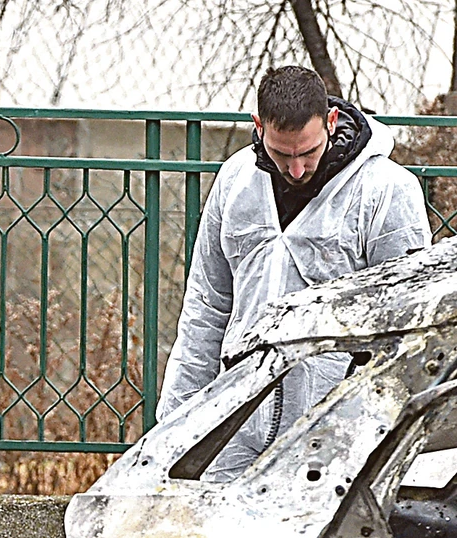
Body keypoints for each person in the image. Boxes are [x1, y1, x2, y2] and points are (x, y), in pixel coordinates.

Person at [157, 65, 432, 478]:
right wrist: (175, 423)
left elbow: (411, 328)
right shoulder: (235, 182)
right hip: (234, 425)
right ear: (258, 127)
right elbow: (206, 306)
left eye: (308, 151)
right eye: (283, 154)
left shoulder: (386, 191)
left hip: (337, 434)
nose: (297, 169)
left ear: (331, 122)